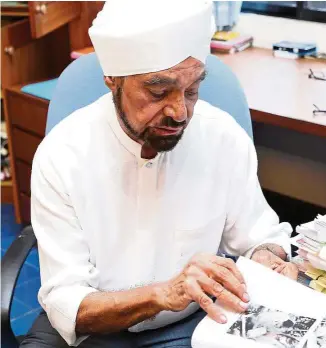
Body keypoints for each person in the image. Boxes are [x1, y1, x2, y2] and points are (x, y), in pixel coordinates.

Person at [20, 1, 298, 347]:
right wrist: (164, 293)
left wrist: (268, 259)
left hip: (193, 320)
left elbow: (258, 234)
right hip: (98, 323)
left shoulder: (222, 138)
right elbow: (68, 303)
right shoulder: (63, 155)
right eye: (157, 92)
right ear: (112, 79)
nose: (180, 112)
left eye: (193, 90)